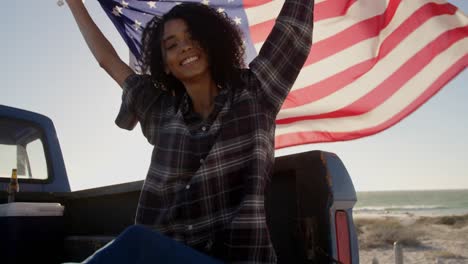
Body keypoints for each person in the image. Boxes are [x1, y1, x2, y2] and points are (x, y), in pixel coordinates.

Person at [65, 0, 314, 262]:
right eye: (171, 45)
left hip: (237, 257)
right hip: (161, 254)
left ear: (211, 41)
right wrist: (74, 4)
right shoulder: (159, 111)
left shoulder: (255, 92)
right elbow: (108, 61)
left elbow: (294, 29)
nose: (184, 46)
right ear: (166, 65)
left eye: (193, 36)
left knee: (132, 242)